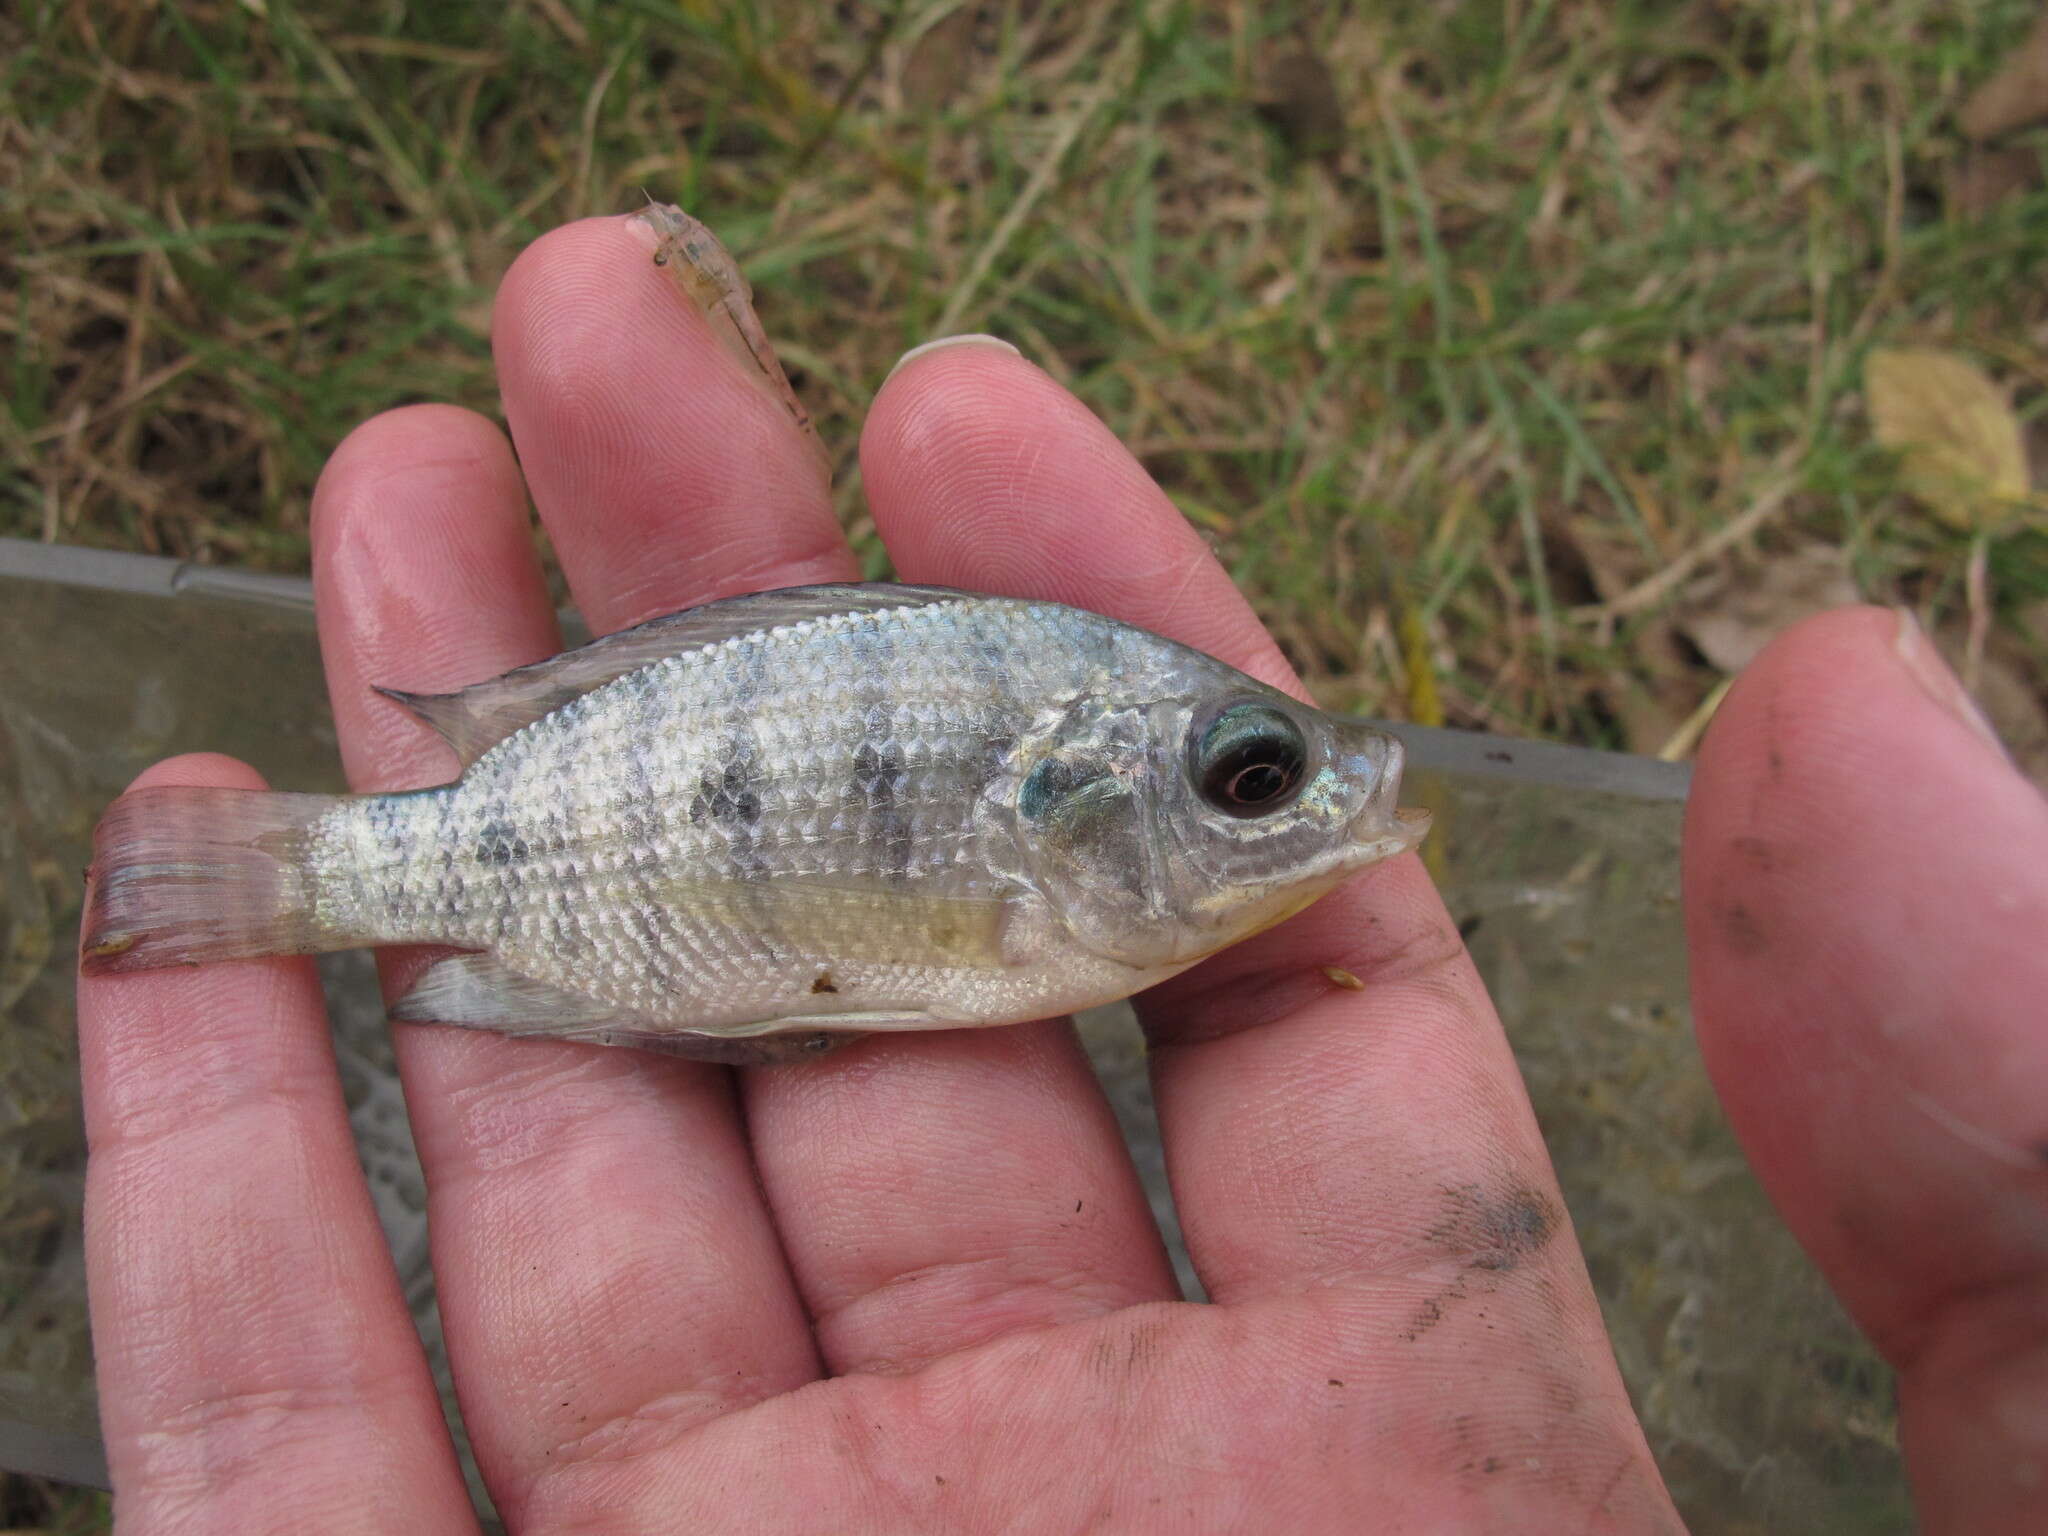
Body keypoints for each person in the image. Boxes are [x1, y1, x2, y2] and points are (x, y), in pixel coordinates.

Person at [75, 214, 2046, 1534]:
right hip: (555, 866)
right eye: (1255, 779)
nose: (1323, 806)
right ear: (1074, 805)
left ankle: (318, 871)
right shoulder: (1028, 867)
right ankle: (312, 874)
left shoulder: (1075, 874)